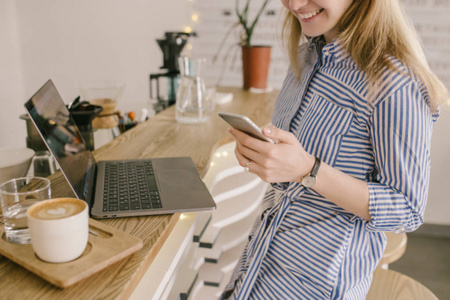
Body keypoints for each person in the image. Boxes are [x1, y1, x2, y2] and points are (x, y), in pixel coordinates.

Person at [222, 0, 448, 299]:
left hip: (317, 287)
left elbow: (406, 209)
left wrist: (308, 169)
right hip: (256, 271)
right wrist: (267, 157)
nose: (293, 3)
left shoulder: (395, 84)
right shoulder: (305, 59)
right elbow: (295, 171)